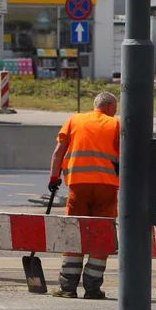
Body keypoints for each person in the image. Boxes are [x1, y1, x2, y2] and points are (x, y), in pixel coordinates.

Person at [47, 92, 121, 299]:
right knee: (99, 236)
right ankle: (92, 287)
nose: (115, 112)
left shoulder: (74, 120)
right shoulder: (115, 125)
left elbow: (58, 152)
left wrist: (54, 178)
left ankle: (67, 287)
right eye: (114, 108)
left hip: (78, 187)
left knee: (74, 233)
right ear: (108, 106)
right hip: (106, 188)